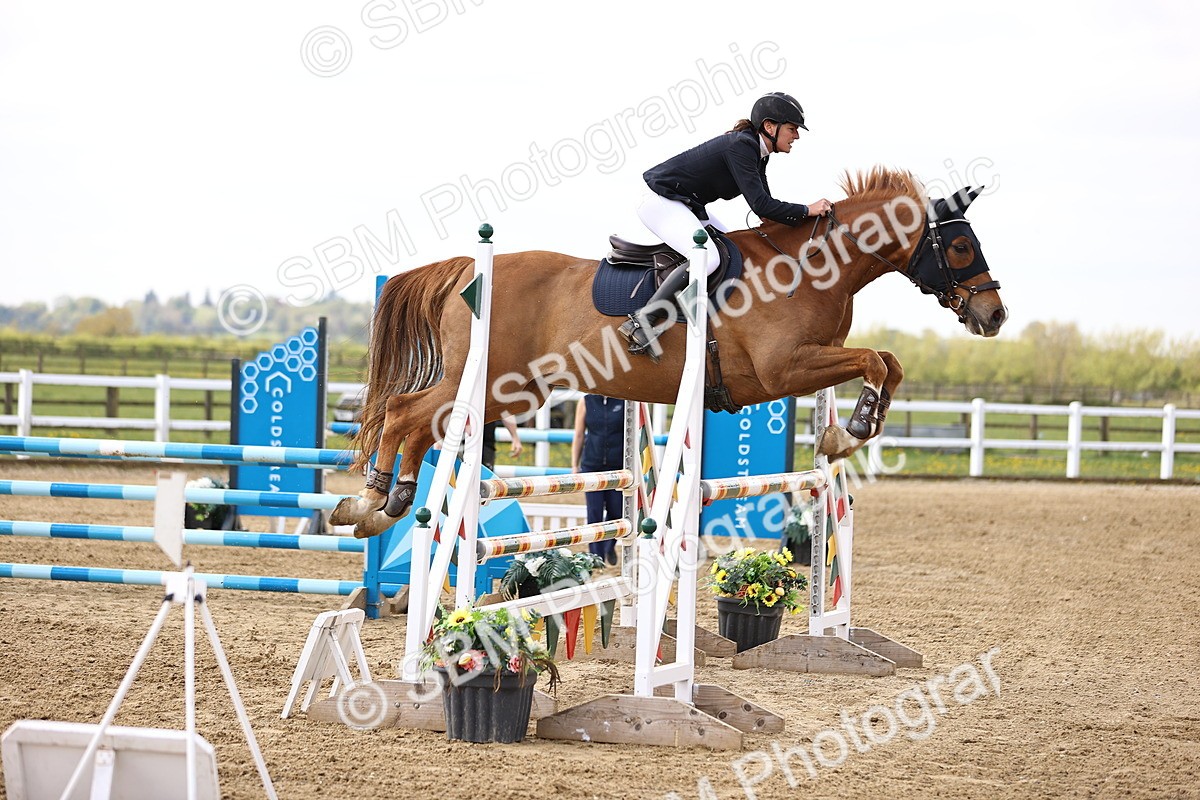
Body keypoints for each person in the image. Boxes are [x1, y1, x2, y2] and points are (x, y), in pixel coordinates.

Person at [618, 92, 834, 359]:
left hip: (686, 204)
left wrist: (807, 227)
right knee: (708, 258)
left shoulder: (758, 153)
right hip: (660, 200)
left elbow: (766, 214)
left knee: (735, 248)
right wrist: (806, 210)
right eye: (792, 129)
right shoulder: (742, 146)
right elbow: (762, 205)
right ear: (770, 127)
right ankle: (643, 319)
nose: (796, 136)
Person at [572, 394, 626, 566]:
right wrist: (574, 465)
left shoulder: (625, 400)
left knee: (617, 511)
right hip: (592, 465)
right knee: (594, 512)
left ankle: (609, 545)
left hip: (617, 466)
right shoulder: (586, 401)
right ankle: (596, 558)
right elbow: (579, 434)